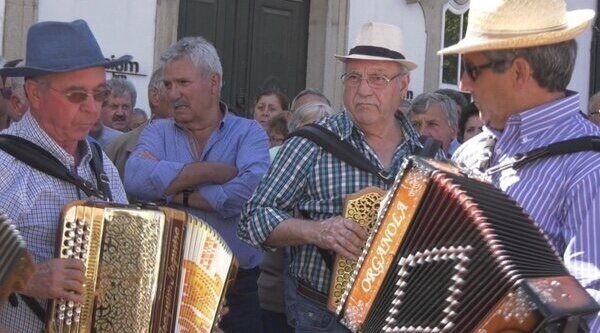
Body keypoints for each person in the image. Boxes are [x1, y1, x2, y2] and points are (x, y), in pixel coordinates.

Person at [239, 22, 424, 332]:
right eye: (353, 77)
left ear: (403, 84)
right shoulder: (311, 143)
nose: (363, 89)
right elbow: (252, 219)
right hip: (322, 317)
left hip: (402, 319)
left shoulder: (426, 154)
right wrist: (316, 231)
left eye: (377, 78)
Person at [439, 0, 599, 329]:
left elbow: (591, 311)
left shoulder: (589, 167)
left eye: (471, 69)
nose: (463, 86)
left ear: (519, 72)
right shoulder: (469, 154)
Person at [123, 36, 269, 333]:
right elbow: (135, 177)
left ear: (213, 82)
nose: (173, 94)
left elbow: (250, 193)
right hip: (168, 284)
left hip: (236, 288)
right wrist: (212, 171)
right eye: (167, 85)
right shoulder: (158, 131)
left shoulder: (249, 133)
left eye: (183, 83)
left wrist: (177, 195)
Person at [0, 19, 130, 332]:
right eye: (76, 95)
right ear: (34, 93)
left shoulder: (101, 163)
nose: (93, 109)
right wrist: (24, 277)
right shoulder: (4, 166)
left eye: (99, 93)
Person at [105, 67, 173, 180]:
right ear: (154, 96)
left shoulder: (202, 144)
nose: (120, 113)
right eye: (114, 106)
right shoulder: (116, 148)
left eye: (126, 107)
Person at [408, 92, 460, 157]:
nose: (422, 133)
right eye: (416, 124)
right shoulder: (397, 162)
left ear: (453, 130)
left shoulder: (466, 164)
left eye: (432, 124)